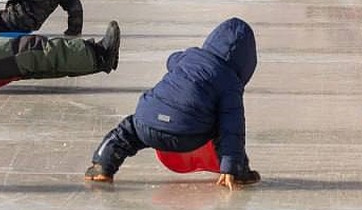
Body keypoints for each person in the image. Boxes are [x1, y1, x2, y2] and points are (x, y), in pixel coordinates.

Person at [84, 17, 260, 188]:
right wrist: (230, 167)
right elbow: (232, 130)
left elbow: (171, 59)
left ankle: (101, 167)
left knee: (126, 132)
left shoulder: (189, 57)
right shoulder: (230, 83)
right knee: (223, 130)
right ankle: (238, 173)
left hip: (147, 123)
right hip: (188, 134)